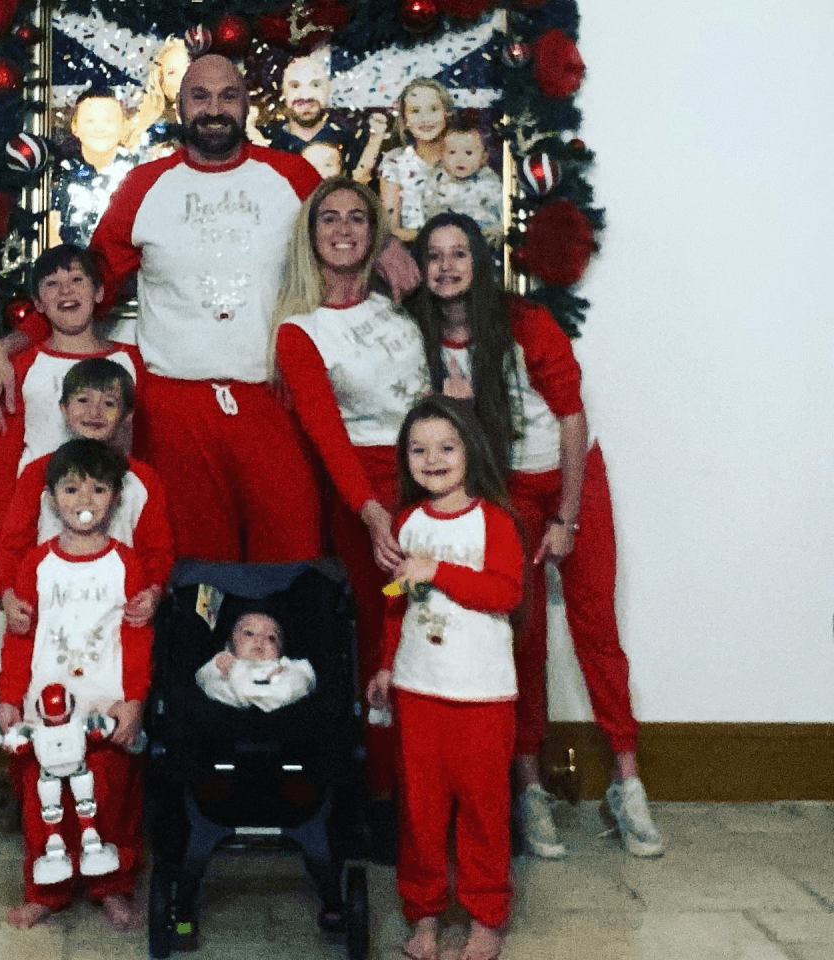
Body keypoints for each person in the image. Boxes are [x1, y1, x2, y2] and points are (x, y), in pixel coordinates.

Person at [0, 54, 418, 564]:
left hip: (272, 401)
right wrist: (11, 344)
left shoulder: (290, 174)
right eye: (200, 97)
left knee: (294, 557)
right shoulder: (145, 186)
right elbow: (84, 286)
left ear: (248, 104)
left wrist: (385, 244)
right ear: (181, 105)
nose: (214, 109)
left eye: (228, 96)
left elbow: (346, 224)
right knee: (191, 569)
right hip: (174, 410)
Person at [409, 211, 665, 859]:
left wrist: (568, 517)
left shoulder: (526, 323)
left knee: (595, 629)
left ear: (480, 262)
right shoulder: (416, 335)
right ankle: (531, 790)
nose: (446, 266)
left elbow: (572, 420)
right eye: (433, 255)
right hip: (508, 490)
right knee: (520, 636)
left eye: (459, 253)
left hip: (571, 481)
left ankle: (628, 783)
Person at [272, 177, 429, 797]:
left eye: (357, 218)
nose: (343, 229)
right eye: (329, 219)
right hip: (368, 498)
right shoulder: (300, 330)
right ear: (311, 237)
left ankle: (444, 782)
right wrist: (372, 515)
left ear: (375, 232)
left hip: (436, 481)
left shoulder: (402, 306)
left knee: (441, 626)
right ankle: (385, 795)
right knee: (383, 639)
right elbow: (327, 437)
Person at [366, 395, 524, 960]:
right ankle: (424, 913)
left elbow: (506, 592)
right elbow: (394, 602)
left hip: (481, 695)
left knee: (483, 812)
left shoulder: (493, 521)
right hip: (418, 690)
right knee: (420, 813)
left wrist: (439, 571)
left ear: (469, 451)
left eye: (446, 447)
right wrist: (386, 665)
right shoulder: (407, 522)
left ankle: (487, 915)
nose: (432, 459)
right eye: (418, 449)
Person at [0, 438, 153, 929]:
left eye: (98, 489)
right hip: (44, 718)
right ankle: (48, 890)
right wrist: (7, 700)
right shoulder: (35, 565)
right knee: (44, 808)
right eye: (71, 489)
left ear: (116, 498)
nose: (84, 501)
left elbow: (138, 639)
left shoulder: (126, 564)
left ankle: (112, 885)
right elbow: (19, 640)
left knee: (110, 805)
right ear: (51, 498)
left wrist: (134, 702)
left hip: (103, 710)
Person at [0, 245, 144, 596]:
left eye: (76, 279)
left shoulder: (132, 363)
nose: (66, 290)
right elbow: (1, 465)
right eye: (52, 284)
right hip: (43, 525)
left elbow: (150, 457)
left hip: (117, 523)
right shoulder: (20, 368)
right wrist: (0, 559)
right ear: (37, 303)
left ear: (99, 291)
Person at [0, 357, 173, 635]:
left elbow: (157, 550)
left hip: (116, 618)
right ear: (63, 408)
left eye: (109, 403)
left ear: (127, 415)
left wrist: (153, 592)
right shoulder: (37, 474)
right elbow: (13, 544)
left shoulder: (143, 480)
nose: (95, 412)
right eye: (83, 400)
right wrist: (7, 593)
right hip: (49, 615)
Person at [264, 51, 390, 185]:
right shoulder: (267, 142)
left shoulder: (351, 140)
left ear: (328, 90)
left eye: (316, 85)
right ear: (283, 91)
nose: (306, 96)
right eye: (295, 86)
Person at [49, 89, 137, 248]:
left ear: (123, 126)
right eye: (90, 121)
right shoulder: (62, 175)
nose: (100, 128)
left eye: (109, 121)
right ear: (74, 126)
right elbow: (51, 232)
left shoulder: (137, 174)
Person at [379, 78, 454, 241]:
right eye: (415, 111)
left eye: (433, 109)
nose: (425, 119)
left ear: (447, 113)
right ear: (404, 120)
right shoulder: (395, 162)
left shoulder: (463, 158)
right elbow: (390, 230)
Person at [196, 611, 315, 712]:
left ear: (280, 652)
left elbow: (302, 681)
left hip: (276, 706)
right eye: (249, 633)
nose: (260, 640)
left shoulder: (282, 666)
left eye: (271, 638)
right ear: (230, 643)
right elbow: (204, 679)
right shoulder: (226, 662)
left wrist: (281, 676)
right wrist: (217, 669)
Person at [423, 123, 503, 245]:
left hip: (483, 237)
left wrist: (497, 231)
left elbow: (501, 210)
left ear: (484, 157)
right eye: (452, 152)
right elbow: (429, 212)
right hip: (447, 240)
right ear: (441, 156)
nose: (460, 159)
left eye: (469, 153)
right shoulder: (436, 180)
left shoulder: (490, 181)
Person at [124, 36, 189, 160]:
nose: (183, 77)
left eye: (188, 66)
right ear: (161, 83)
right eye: (171, 72)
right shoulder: (149, 134)